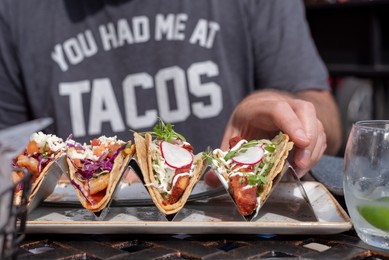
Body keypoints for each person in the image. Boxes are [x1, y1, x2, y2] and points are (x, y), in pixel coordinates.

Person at [0, 0, 341, 181]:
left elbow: (323, 111)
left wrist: (288, 115)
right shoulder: (16, 12)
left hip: (231, 231)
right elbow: (6, 155)